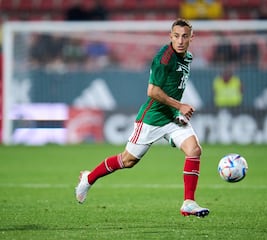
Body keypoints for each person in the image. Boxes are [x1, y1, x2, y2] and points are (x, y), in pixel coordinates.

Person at [75, 19, 210, 218]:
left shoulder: (188, 57)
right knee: (127, 160)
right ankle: (88, 178)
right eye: (176, 36)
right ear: (170, 36)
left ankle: (188, 202)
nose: (180, 40)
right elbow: (152, 91)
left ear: (192, 37)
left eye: (184, 36)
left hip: (171, 117)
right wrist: (180, 106)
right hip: (152, 118)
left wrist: (176, 112)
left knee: (194, 150)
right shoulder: (164, 59)